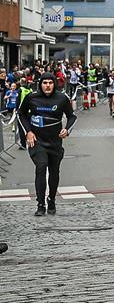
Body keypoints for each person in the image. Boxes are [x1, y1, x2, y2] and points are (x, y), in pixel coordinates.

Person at [17, 76, 77, 216]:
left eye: (50, 83)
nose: (48, 86)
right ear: (40, 84)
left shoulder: (61, 98)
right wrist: (28, 132)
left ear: (54, 84)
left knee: (54, 172)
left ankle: (51, 199)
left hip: (55, 142)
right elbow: (21, 115)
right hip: (37, 141)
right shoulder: (32, 97)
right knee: (41, 166)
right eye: (45, 83)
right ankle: (40, 204)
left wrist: (67, 129)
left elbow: (72, 116)